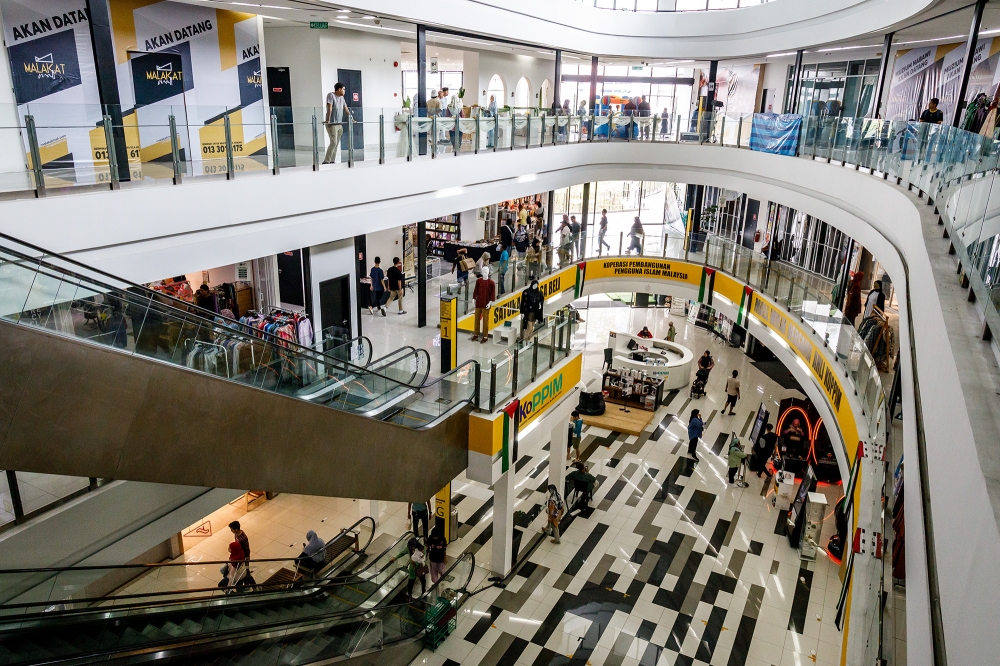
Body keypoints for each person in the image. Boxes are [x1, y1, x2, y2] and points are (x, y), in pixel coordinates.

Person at [324, 82, 351, 164]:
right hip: (332, 124)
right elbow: (330, 108)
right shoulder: (331, 95)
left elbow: (346, 109)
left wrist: (351, 118)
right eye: (343, 89)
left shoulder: (342, 98)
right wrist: (328, 120)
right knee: (333, 142)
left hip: (339, 124)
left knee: (336, 143)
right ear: (339, 89)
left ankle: (332, 160)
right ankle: (326, 160)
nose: (344, 91)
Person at [471, 266, 496, 344]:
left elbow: (493, 294)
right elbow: (476, 290)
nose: (484, 272)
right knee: (476, 319)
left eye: (486, 271)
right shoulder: (478, 281)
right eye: (483, 271)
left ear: (488, 272)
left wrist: (490, 303)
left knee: (485, 320)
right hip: (478, 303)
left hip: (486, 304)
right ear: (481, 272)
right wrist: (474, 298)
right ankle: (476, 334)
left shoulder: (491, 283)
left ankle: (485, 336)